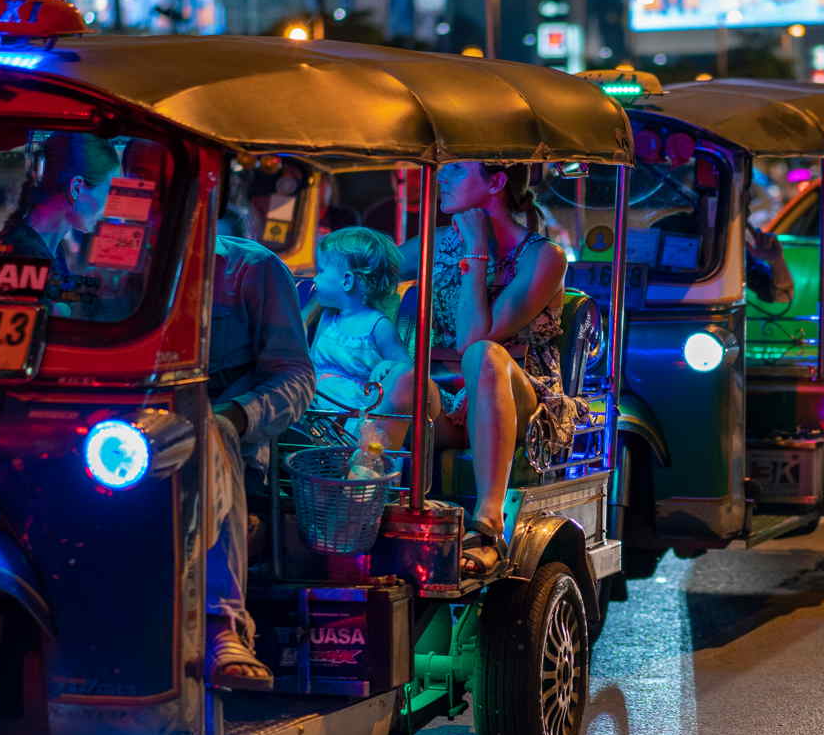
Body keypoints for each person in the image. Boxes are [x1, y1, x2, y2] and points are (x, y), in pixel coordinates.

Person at [406, 162, 587, 576]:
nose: (442, 179)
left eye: (456, 170)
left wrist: (475, 251)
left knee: (484, 356)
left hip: (522, 399)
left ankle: (489, 523)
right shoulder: (435, 243)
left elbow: (476, 337)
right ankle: (373, 512)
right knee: (397, 380)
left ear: (496, 182)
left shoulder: (542, 256)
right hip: (450, 397)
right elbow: (369, 265)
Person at [206, 227, 316, 686]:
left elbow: (295, 375)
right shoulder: (92, 254)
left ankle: (221, 626)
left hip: (227, 452)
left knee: (206, 429)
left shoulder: (252, 268)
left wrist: (235, 417)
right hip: (118, 439)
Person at [308, 225, 415, 450]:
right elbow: (312, 359)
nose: (315, 278)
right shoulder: (328, 317)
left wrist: (387, 365)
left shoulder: (378, 325)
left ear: (347, 281)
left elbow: (405, 367)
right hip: (319, 405)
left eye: (321, 270)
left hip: (353, 414)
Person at [0, 133, 120, 313]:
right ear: (76, 188)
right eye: (108, 192)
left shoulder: (47, 246)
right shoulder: (24, 255)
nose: (108, 207)